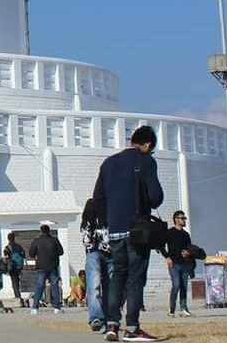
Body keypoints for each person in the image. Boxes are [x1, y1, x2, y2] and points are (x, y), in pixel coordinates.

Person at [92, 124, 164, 342]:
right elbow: (155, 197)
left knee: (117, 277)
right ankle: (132, 328)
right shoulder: (145, 161)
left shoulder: (108, 163)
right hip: (137, 231)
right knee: (135, 279)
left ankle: (112, 325)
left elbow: (98, 198)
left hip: (114, 230)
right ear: (147, 144)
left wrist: (109, 219)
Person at [81, 197, 112, 332]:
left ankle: (100, 317)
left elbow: (85, 234)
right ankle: (100, 317)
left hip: (96, 252)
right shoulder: (106, 213)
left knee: (96, 285)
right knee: (104, 285)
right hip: (102, 252)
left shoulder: (87, 220)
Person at [28, 223, 64, 314]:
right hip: (53, 266)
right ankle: (57, 308)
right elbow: (61, 252)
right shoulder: (54, 240)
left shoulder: (37, 241)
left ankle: (35, 308)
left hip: (41, 266)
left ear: (41, 231)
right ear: (49, 231)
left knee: (39, 287)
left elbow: (31, 254)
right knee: (54, 287)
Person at [164, 210, 193, 317]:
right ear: (176, 219)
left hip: (184, 264)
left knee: (184, 286)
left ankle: (183, 308)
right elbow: (161, 246)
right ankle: (171, 309)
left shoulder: (186, 234)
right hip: (174, 264)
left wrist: (188, 252)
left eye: (185, 218)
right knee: (176, 285)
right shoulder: (170, 232)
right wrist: (167, 257)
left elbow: (190, 247)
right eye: (182, 218)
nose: (184, 220)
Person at [3, 231, 26, 303]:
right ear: (14, 238)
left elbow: (6, 257)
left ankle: (17, 296)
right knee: (17, 279)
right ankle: (18, 294)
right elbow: (23, 255)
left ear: (8, 239)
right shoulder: (19, 246)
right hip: (19, 266)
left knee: (14, 281)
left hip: (12, 266)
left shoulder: (7, 247)